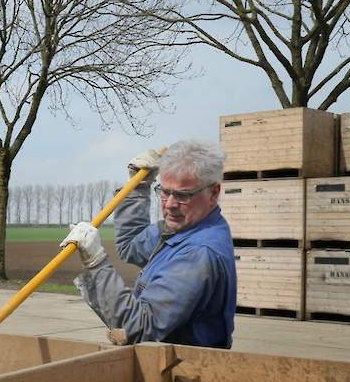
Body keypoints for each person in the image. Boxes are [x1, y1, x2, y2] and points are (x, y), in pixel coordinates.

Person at [61, 140, 236, 348]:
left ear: (213, 193)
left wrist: (96, 262)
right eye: (164, 191)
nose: (170, 205)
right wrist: (137, 186)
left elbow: (139, 328)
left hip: (183, 373)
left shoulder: (198, 253)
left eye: (182, 195)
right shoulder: (183, 230)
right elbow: (131, 245)